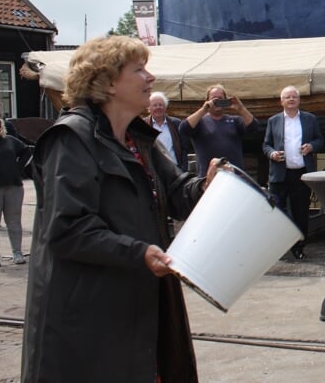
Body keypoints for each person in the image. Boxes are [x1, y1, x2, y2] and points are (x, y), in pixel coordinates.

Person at [21, 35, 224, 382]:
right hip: (89, 317)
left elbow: (175, 189)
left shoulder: (137, 138)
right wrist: (138, 252)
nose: (151, 78)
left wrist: (205, 185)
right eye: (139, 69)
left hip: (135, 306)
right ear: (109, 82)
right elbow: (67, 229)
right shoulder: (70, 138)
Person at [262, 86, 324, 260]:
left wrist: (311, 146)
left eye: (294, 96)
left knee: (301, 212)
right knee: (276, 211)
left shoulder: (310, 119)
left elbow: (320, 139)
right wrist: (272, 153)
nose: (291, 99)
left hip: (301, 173)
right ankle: (279, 246)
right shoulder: (273, 120)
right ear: (281, 101)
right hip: (279, 174)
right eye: (287, 97)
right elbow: (266, 145)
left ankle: (299, 246)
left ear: (299, 100)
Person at [0, 113, 31, 267]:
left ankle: (17, 252)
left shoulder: (10, 141)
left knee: (14, 222)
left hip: (13, 187)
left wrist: (18, 168)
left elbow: (26, 151)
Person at [179, 84, 257, 176]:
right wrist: (203, 110)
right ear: (207, 101)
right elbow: (183, 129)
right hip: (208, 176)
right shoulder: (200, 122)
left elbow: (254, 127)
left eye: (220, 98)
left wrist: (241, 109)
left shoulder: (235, 121)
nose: (217, 101)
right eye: (214, 99)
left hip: (233, 175)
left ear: (225, 100)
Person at [146, 91, 191, 168]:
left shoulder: (176, 123)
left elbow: (184, 147)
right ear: (149, 108)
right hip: (154, 170)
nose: (158, 107)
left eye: (161, 105)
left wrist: (183, 168)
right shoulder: (144, 125)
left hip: (175, 168)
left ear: (165, 107)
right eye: (155, 105)